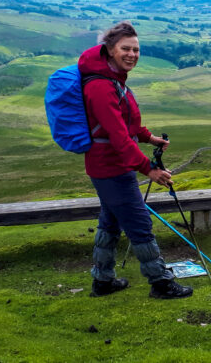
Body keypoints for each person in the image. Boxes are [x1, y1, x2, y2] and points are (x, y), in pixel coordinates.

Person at [79, 21, 193, 299]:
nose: (132, 54)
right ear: (109, 49)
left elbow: (126, 125)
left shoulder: (114, 81)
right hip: (110, 168)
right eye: (125, 49)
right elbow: (118, 137)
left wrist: (150, 138)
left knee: (110, 222)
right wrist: (148, 168)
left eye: (136, 49)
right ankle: (161, 283)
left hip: (111, 166)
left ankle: (103, 281)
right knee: (140, 224)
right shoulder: (101, 87)